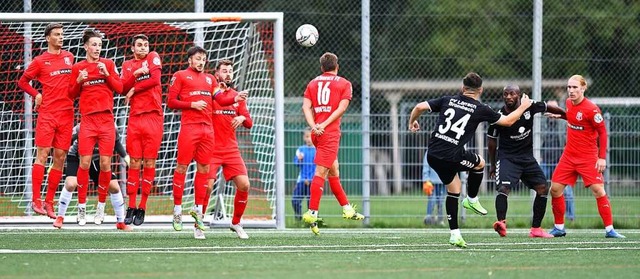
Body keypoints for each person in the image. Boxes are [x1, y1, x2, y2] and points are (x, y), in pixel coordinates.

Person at [408, 72, 532, 248]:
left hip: (433, 155)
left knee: (454, 189)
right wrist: (524, 107)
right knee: (480, 163)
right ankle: (472, 199)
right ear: (480, 90)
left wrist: (412, 122)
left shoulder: (447, 100)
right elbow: (508, 121)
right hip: (451, 156)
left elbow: (419, 107)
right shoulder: (480, 108)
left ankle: (455, 234)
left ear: (462, 88)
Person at [167, 47, 247, 233]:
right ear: (190, 60)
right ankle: (177, 210)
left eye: (203, 59)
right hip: (190, 129)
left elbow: (219, 99)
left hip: (207, 131)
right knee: (182, 167)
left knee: (204, 170)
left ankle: (198, 211)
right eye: (197, 58)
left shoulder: (210, 79)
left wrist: (236, 96)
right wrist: (191, 104)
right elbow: (171, 102)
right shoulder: (180, 75)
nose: (201, 62)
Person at [548, 75, 625, 238]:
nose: (571, 90)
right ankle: (559, 228)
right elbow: (572, 117)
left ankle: (610, 230)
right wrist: (560, 116)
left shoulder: (592, 109)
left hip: (588, 157)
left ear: (583, 88)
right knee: (555, 190)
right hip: (568, 156)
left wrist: (601, 157)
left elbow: (603, 132)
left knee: (598, 190)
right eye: (569, 87)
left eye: (575, 87)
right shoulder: (568, 103)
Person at [487, 85, 566, 238]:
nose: (508, 97)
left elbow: (549, 106)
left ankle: (536, 229)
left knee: (543, 188)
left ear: (519, 95)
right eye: (505, 94)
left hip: (527, 158)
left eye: (512, 94)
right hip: (507, 158)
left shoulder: (530, 106)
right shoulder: (498, 116)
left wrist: (566, 115)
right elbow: (491, 142)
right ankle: (501, 223)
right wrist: (492, 164)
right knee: (503, 189)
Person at [301, 52, 364, 235]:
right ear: (337, 66)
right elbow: (341, 108)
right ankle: (312, 213)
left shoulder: (312, 83)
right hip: (329, 133)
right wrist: (324, 125)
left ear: (321, 67)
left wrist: (314, 126)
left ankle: (346, 208)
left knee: (334, 169)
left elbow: (306, 107)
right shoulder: (344, 83)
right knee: (321, 172)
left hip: (317, 132)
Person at [68, 29, 125, 230]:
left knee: (105, 164)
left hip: (106, 120)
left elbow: (120, 88)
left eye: (99, 45)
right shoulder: (78, 67)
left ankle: (101, 207)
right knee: (84, 162)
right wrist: (78, 80)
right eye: (93, 44)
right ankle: (81, 207)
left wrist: (107, 75)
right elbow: (71, 94)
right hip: (88, 121)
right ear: (85, 46)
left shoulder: (108, 64)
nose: (97, 48)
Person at [18, 23, 74, 219]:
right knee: (42, 155)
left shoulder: (70, 57)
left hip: (67, 115)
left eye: (62, 34)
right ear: (48, 38)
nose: (61, 37)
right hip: (48, 115)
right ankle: (36, 200)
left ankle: (50, 202)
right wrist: (36, 94)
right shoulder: (40, 61)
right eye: (57, 35)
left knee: (60, 157)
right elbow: (22, 82)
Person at [198, 59, 253, 240]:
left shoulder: (237, 96)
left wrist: (242, 119)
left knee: (245, 185)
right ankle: (199, 223)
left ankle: (236, 222)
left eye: (230, 70)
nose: (228, 73)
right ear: (217, 74)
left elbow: (249, 122)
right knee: (207, 187)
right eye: (224, 70)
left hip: (231, 149)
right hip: (211, 148)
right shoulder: (211, 96)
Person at [53, 123, 131, 231]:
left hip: (98, 160)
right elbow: (67, 140)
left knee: (114, 187)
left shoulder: (111, 126)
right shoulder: (82, 126)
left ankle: (121, 222)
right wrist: (58, 159)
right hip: (77, 157)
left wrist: (125, 156)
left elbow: (116, 142)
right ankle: (60, 217)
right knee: (71, 184)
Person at [120, 34, 164, 226]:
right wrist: (135, 76)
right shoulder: (127, 65)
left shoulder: (153, 57)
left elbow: (155, 79)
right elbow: (122, 87)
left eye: (146, 44)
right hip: (135, 118)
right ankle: (131, 206)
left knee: (149, 162)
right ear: (132, 48)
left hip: (153, 117)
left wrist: (134, 89)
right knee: (135, 162)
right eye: (139, 45)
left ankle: (143, 206)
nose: (143, 48)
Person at [541, 101, 575, 221]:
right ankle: (539, 216)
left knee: (567, 192)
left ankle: (571, 217)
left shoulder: (563, 123)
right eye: (550, 108)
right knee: (540, 187)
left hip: (560, 161)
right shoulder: (541, 123)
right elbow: (538, 140)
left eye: (555, 108)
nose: (552, 111)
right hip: (545, 160)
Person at [292, 129, 316, 223]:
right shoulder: (301, 149)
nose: (309, 139)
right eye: (307, 136)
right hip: (301, 180)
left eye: (311, 136)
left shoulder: (317, 149)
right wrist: (299, 159)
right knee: (295, 200)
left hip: (313, 181)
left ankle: (312, 222)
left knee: (312, 204)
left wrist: (311, 179)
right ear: (304, 138)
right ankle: (298, 219)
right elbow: (296, 163)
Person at [422, 151, 445, 226]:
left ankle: (440, 220)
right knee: (431, 200)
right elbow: (426, 165)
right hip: (431, 182)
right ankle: (428, 219)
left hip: (443, 181)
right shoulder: (430, 151)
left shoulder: (445, 150)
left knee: (441, 201)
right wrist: (426, 179)